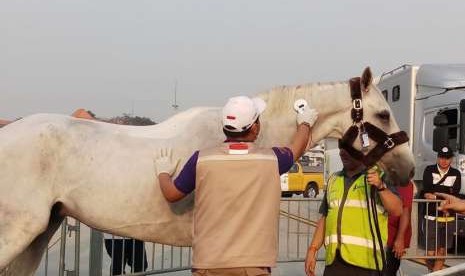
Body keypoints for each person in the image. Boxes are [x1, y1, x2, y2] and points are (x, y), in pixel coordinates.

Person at [154, 96, 318, 276]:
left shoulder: (201, 159)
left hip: (209, 264)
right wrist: (305, 122)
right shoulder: (271, 159)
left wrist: (163, 172)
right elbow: (297, 147)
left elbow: (171, 193)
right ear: (255, 128)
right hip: (253, 264)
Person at [305, 148, 402, 276]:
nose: (343, 153)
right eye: (341, 149)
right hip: (335, 262)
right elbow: (326, 216)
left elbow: (397, 209)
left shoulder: (379, 177)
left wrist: (381, 187)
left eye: (348, 149)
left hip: (366, 264)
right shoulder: (334, 180)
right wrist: (313, 249)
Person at [420, 145, 461, 272]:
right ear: (438, 158)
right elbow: (426, 189)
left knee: (442, 251)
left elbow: (456, 193)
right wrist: (445, 192)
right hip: (431, 216)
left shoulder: (456, 173)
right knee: (430, 254)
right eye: (442, 157)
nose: (444, 161)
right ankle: (433, 272)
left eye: (447, 158)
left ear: (452, 159)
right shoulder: (429, 169)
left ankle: (435, 274)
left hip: (449, 218)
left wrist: (435, 192)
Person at [383, 180, 414, 276]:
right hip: (377, 237)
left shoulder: (403, 181)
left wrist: (400, 239)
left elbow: (405, 210)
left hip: (391, 239)